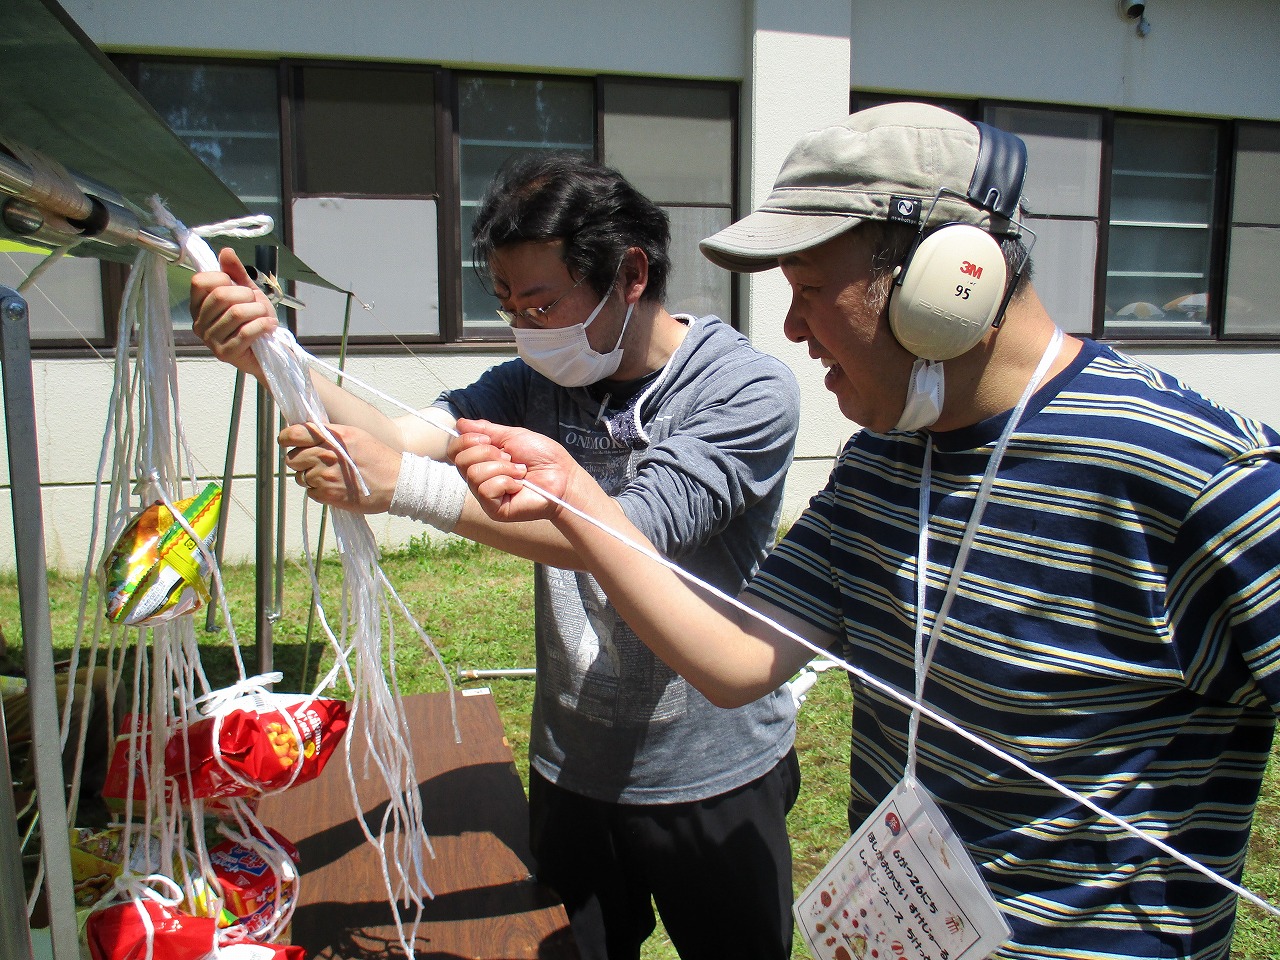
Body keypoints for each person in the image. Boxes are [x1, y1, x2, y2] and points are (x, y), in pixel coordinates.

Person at [447, 103, 1280, 959]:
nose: (792, 329)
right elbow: (735, 662)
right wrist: (580, 500)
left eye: (809, 290)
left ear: (952, 281)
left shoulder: (1200, 477)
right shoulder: (878, 465)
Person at [189, 153, 802, 960]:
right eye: (509, 305)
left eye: (543, 303)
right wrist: (274, 357)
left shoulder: (741, 390)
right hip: (572, 767)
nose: (525, 327)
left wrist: (406, 488)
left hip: (717, 772)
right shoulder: (531, 380)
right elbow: (396, 438)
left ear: (630, 274)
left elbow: (627, 532)